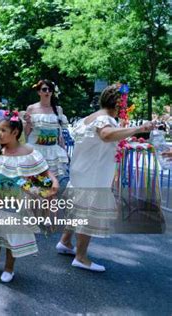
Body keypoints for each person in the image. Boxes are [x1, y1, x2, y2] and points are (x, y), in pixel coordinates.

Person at [56, 84, 154, 272]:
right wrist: (138, 129)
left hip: (82, 172)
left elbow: (103, 140)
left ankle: (65, 242)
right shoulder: (105, 119)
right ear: (118, 104)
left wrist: (128, 139)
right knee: (88, 214)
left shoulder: (89, 118)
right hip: (93, 175)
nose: (123, 109)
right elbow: (106, 135)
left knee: (78, 209)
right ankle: (81, 257)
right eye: (123, 105)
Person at [0, 111, 59, 283]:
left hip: (19, 205)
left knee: (12, 236)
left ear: (15, 133)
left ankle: (9, 267)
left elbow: (45, 171)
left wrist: (53, 181)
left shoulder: (29, 152)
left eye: (3, 130)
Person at [24, 79, 68, 177]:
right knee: (35, 182)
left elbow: (59, 134)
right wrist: (28, 122)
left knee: (52, 182)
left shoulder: (58, 109)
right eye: (44, 89)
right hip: (36, 150)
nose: (47, 91)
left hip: (53, 151)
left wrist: (64, 150)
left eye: (50, 89)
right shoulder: (31, 108)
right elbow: (26, 133)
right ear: (39, 92)